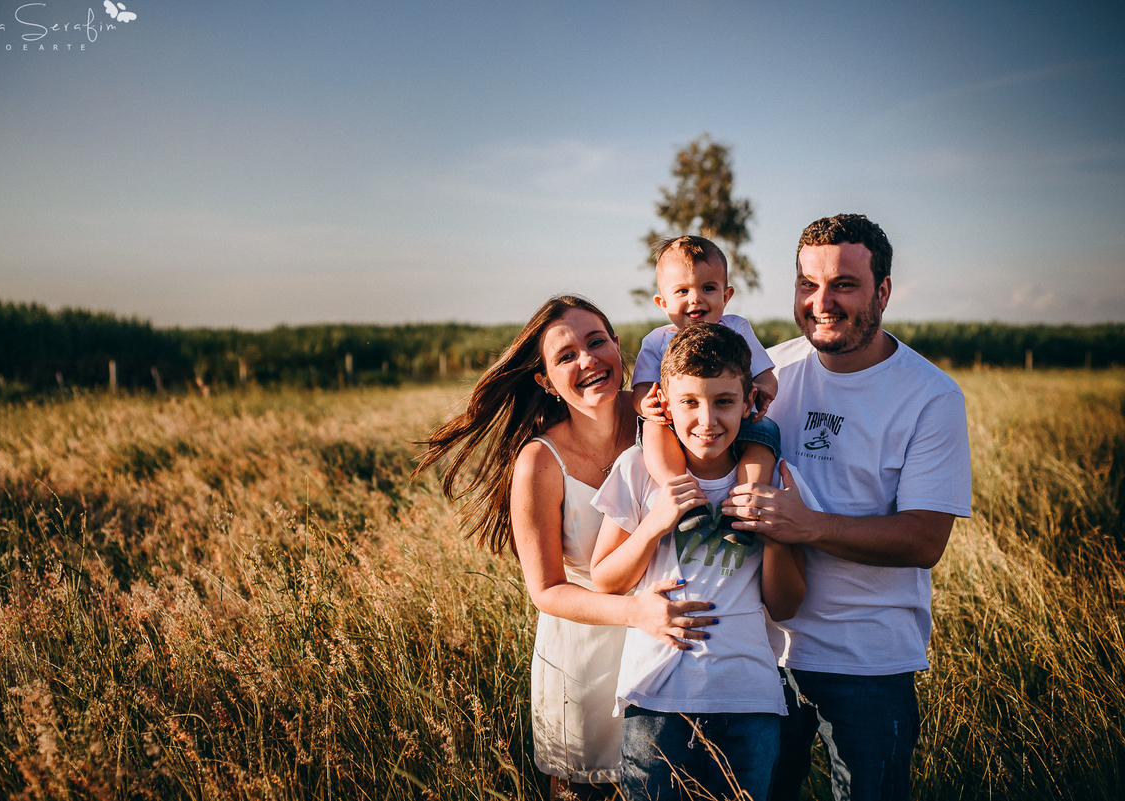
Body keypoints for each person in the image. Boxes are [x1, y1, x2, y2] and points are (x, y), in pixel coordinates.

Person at [415, 294, 718, 800]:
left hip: (672, 657)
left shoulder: (663, 420)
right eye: (565, 355)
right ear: (544, 380)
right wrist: (636, 612)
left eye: (597, 342)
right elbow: (548, 591)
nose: (588, 360)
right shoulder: (539, 462)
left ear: (619, 346)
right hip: (584, 668)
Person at [721, 214, 973, 801]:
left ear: (883, 290)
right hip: (758, 652)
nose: (821, 302)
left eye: (843, 285)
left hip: (868, 664)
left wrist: (804, 526)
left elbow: (922, 540)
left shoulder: (930, 396)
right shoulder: (767, 375)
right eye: (807, 284)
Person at [590, 322, 808, 801]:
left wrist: (774, 531)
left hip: (750, 697)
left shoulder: (773, 474)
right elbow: (604, 578)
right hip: (657, 700)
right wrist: (653, 524)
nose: (706, 419)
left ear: (749, 401)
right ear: (664, 402)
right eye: (689, 402)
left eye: (723, 401)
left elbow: (787, 604)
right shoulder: (638, 470)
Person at [632, 236, 781, 537]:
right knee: (651, 427)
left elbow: (766, 375)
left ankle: (745, 503)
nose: (696, 298)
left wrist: (762, 393)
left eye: (708, 288)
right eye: (682, 291)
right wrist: (646, 406)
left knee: (765, 433)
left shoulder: (736, 328)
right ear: (663, 302)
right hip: (676, 420)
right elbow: (640, 390)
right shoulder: (657, 341)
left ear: (726, 295)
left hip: (734, 417)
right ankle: (684, 499)